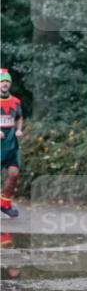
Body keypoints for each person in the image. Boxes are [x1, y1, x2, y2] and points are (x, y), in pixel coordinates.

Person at [0, 69, 23, 218]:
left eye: (7, 81)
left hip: (11, 144)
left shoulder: (16, 101)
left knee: (14, 173)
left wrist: (19, 130)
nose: (5, 84)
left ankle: (5, 204)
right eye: (2, 81)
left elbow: (19, 117)